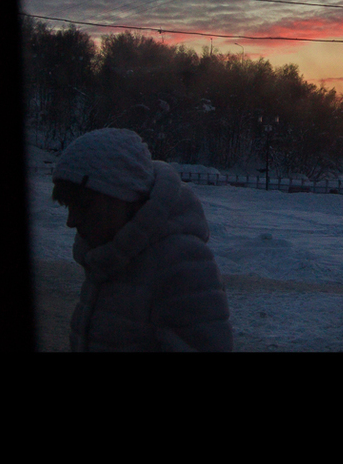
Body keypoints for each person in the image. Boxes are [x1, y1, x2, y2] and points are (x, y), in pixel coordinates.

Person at [51, 127, 232, 351]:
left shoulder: (181, 264)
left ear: (127, 196)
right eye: (69, 206)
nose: (71, 221)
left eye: (85, 205)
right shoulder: (108, 256)